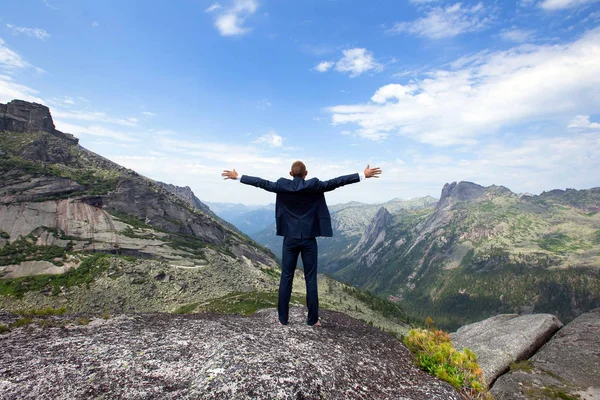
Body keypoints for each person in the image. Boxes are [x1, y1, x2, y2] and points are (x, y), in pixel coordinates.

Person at [222, 161, 382, 326]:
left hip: (289, 240)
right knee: (310, 279)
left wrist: (238, 177)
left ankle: (283, 319)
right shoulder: (314, 185)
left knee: (286, 278)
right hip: (309, 240)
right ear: (306, 174)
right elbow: (336, 182)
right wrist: (363, 175)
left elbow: (261, 183)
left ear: (290, 174)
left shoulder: (282, 185)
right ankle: (312, 320)